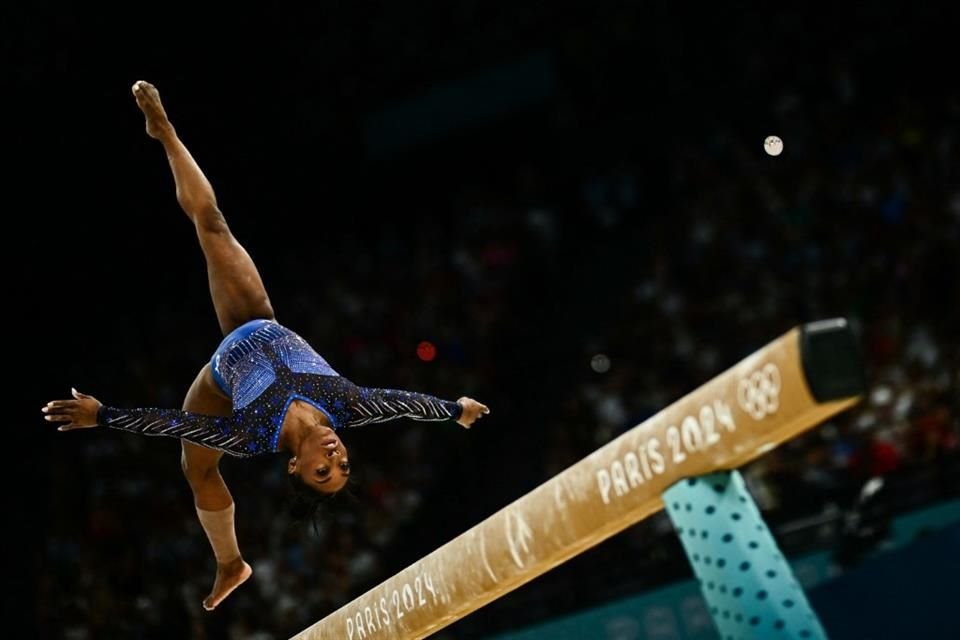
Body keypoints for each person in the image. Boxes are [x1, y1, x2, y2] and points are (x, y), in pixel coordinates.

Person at [42, 80, 490, 611]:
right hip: (256, 318)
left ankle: (230, 561)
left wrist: (105, 415)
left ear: (293, 468)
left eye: (323, 472)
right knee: (212, 223)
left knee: (197, 467)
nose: (335, 459)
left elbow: (176, 424)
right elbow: (404, 404)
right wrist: (454, 410)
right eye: (343, 467)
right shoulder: (348, 407)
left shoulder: (252, 435)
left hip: (218, 380)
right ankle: (165, 133)